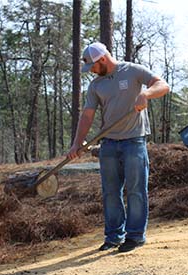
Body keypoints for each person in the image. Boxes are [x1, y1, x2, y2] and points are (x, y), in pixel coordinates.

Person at [68, 42, 169, 253]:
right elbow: (87, 115)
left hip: (134, 141)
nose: (92, 72)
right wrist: (78, 143)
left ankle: (134, 236)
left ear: (102, 60)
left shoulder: (132, 71)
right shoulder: (96, 86)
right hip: (109, 143)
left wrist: (146, 94)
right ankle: (113, 236)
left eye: (93, 67)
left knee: (136, 190)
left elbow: (163, 85)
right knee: (111, 192)